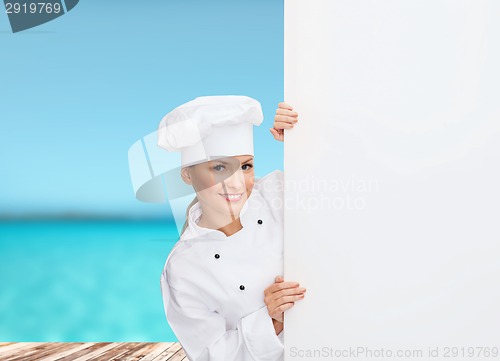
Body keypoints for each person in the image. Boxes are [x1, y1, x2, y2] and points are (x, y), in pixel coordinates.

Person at [158, 95, 305, 361]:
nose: (237, 184)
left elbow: (342, 195)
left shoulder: (277, 194)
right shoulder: (183, 267)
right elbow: (209, 354)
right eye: (219, 167)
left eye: (246, 166)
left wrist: (302, 140)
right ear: (187, 174)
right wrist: (272, 321)